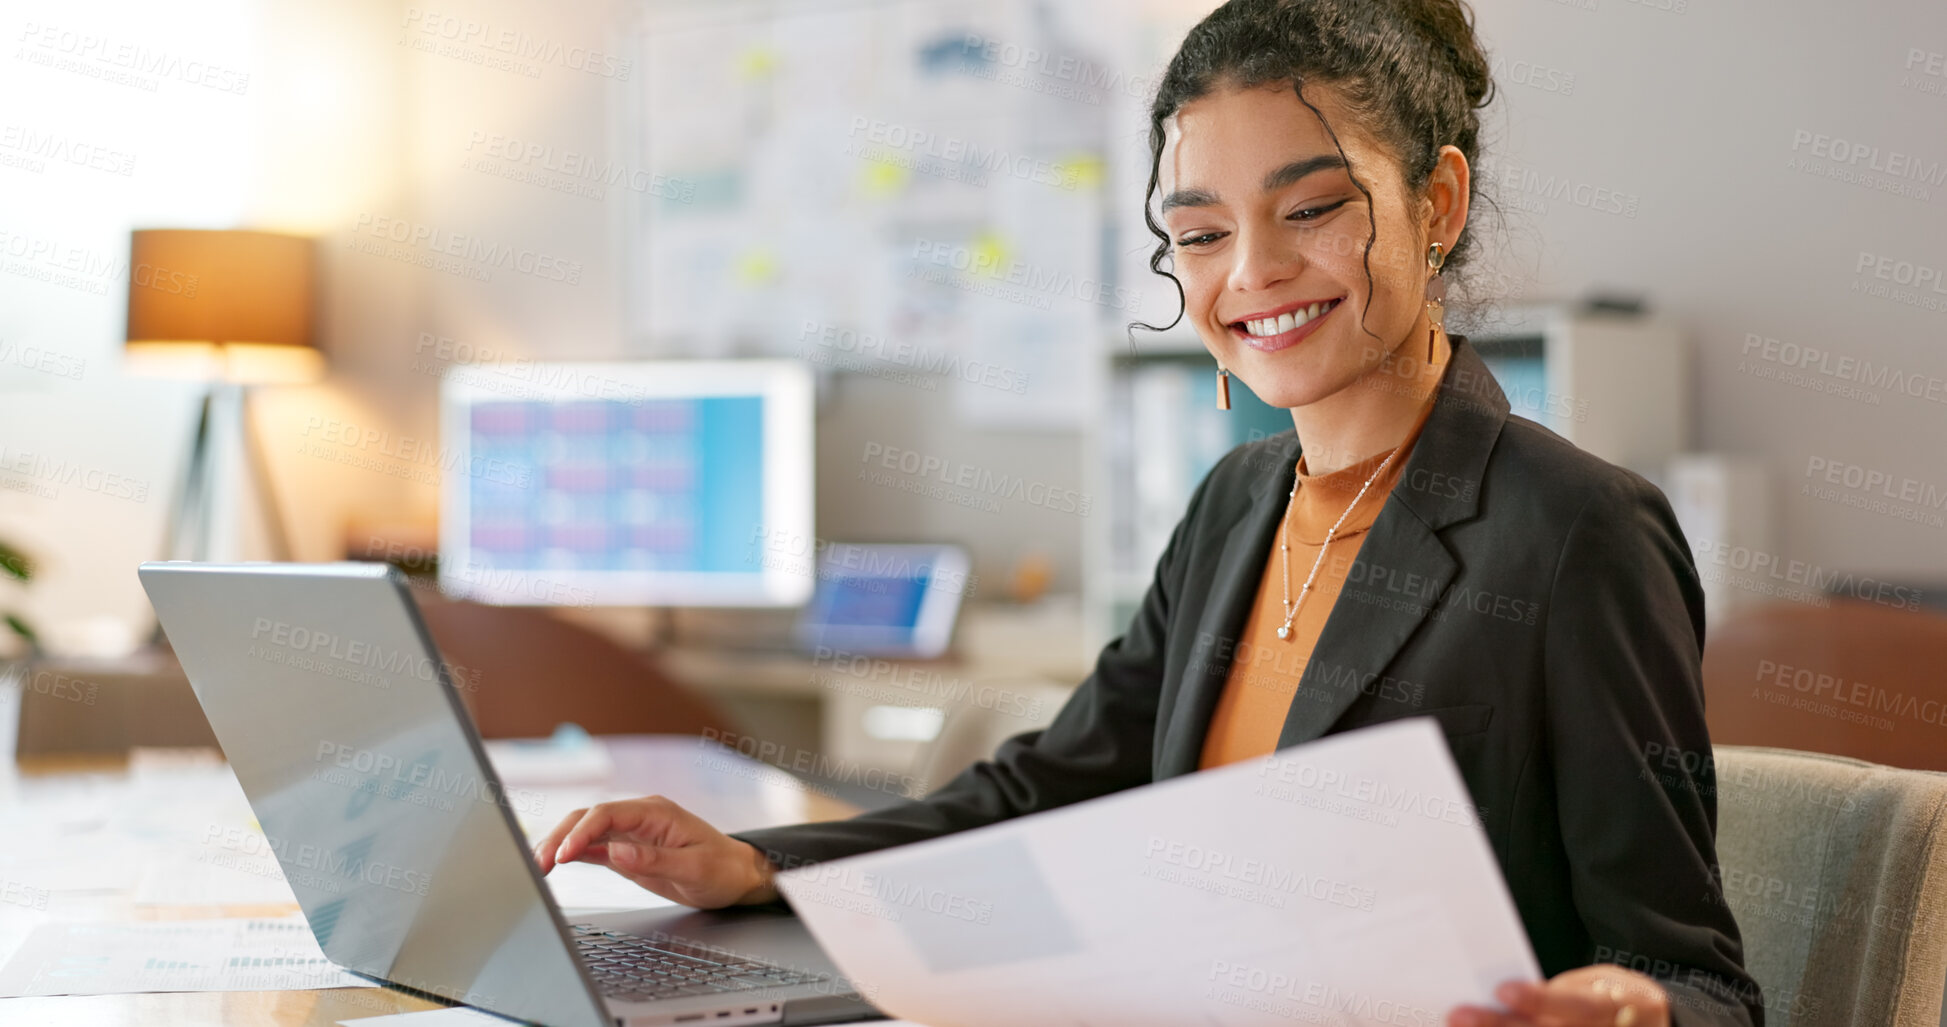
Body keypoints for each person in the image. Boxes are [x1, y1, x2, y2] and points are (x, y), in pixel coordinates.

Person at [535, 1, 1764, 1024]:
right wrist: (761, 865)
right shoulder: (1236, 502)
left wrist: (1627, 1008)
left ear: (1436, 204)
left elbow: (1699, 979)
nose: (1252, 274)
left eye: (1313, 208)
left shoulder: (1576, 531)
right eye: (1201, 233)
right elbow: (1048, 789)